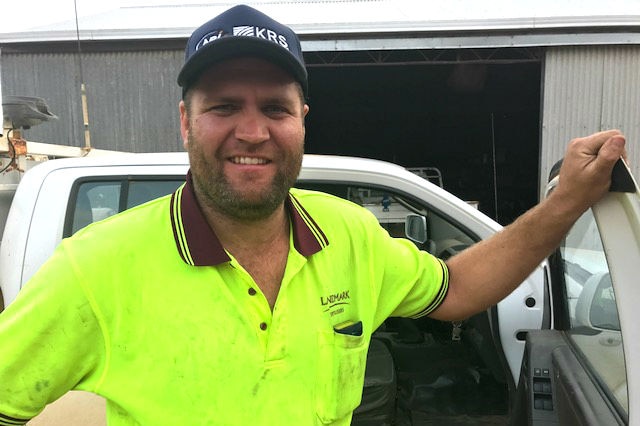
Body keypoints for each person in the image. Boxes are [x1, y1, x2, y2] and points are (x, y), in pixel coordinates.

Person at [0, 4, 627, 426]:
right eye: (223, 106)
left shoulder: (348, 234)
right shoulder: (95, 267)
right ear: (186, 122)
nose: (253, 131)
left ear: (302, 121)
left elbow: (459, 288)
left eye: (275, 107)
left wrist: (566, 202)